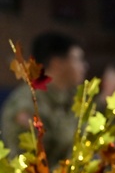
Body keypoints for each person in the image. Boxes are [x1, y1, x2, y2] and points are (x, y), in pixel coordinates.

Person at [1, 31, 87, 163]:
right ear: (57, 63)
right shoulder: (28, 104)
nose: (84, 66)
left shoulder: (73, 98)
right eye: (77, 60)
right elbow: (30, 166)